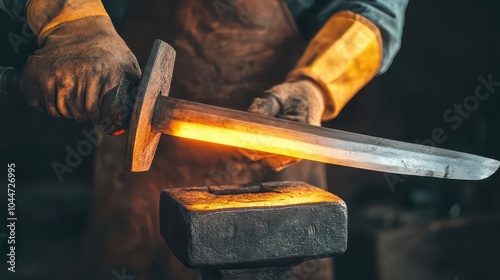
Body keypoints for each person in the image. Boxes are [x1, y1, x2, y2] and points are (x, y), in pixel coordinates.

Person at [1, 0, 408, 279]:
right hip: (130, 157)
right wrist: (74, 23)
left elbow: (375, 7)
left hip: (279, 160)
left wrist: (315, 86)